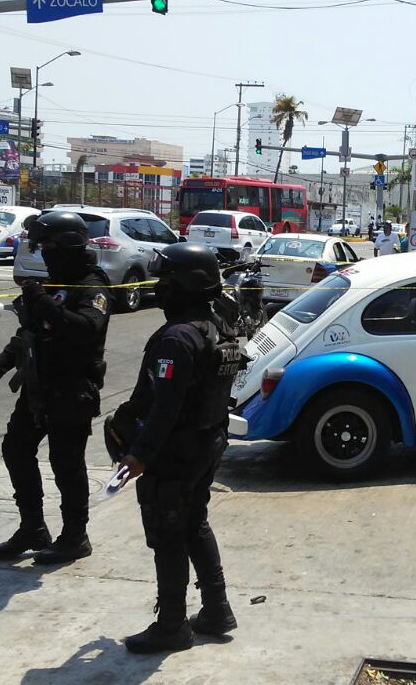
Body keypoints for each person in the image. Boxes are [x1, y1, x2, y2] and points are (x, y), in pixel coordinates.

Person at [109, 243, 243, 654]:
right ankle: (216, 610)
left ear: (183, 285)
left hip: (176, 450)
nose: (160, 287)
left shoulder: (179, 338)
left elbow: (165, 406)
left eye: (166, 280)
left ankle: (171, 625)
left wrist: (139, 455)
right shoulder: (215, 325)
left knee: (168, 533)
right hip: (208, 442)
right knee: (192, 522)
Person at [0, 210, 110, 565]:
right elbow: (30, 334)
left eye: (48, 247)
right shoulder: (55, 282)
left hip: (72, 389)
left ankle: (75, 537)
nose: (44, 255)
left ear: (67, 246)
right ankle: (32, 528)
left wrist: (41, 302)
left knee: (66, 464)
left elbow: (85, 328)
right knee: (16, 449)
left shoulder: (91, 285)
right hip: (39, 388)